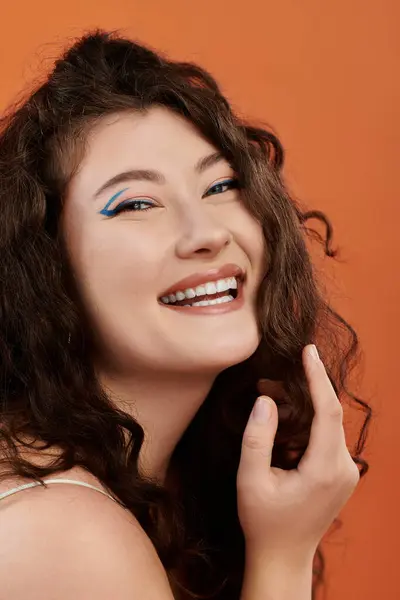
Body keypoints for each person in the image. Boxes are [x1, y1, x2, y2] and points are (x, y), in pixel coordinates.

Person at [0, 28, 371, 600]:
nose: (206, 234)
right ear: (45, 263)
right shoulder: (65, 533)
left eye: (221, 185)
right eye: (136, 204)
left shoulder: (140, 483)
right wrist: (283, 556)